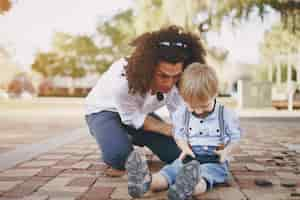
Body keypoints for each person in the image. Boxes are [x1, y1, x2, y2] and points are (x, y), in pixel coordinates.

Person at [85, 25, 206, 177]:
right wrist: (169, 129)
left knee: (184, 156)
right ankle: (113, 138)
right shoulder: (123, 82)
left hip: (138, 114)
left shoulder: (177, 82)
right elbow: (130, 118)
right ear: (148, 69)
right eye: (163, 76)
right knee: (120, 158)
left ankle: (124, 138)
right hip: (104, 112)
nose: (169, 84)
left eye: (175, 76)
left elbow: (179, 113)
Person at [126, 63, 242, 200]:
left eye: (204, 106)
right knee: (167, 173)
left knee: (203, 178)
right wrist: (184, 147)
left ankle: (187, 188)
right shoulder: (183, 113)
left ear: (215, 93)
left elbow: (236, 140)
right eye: (192, 106)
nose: (198, 111)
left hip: (213, 162)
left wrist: (226, 151)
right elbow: (179, 134)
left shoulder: (225, 114)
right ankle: (145, 182)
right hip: (187, 158)